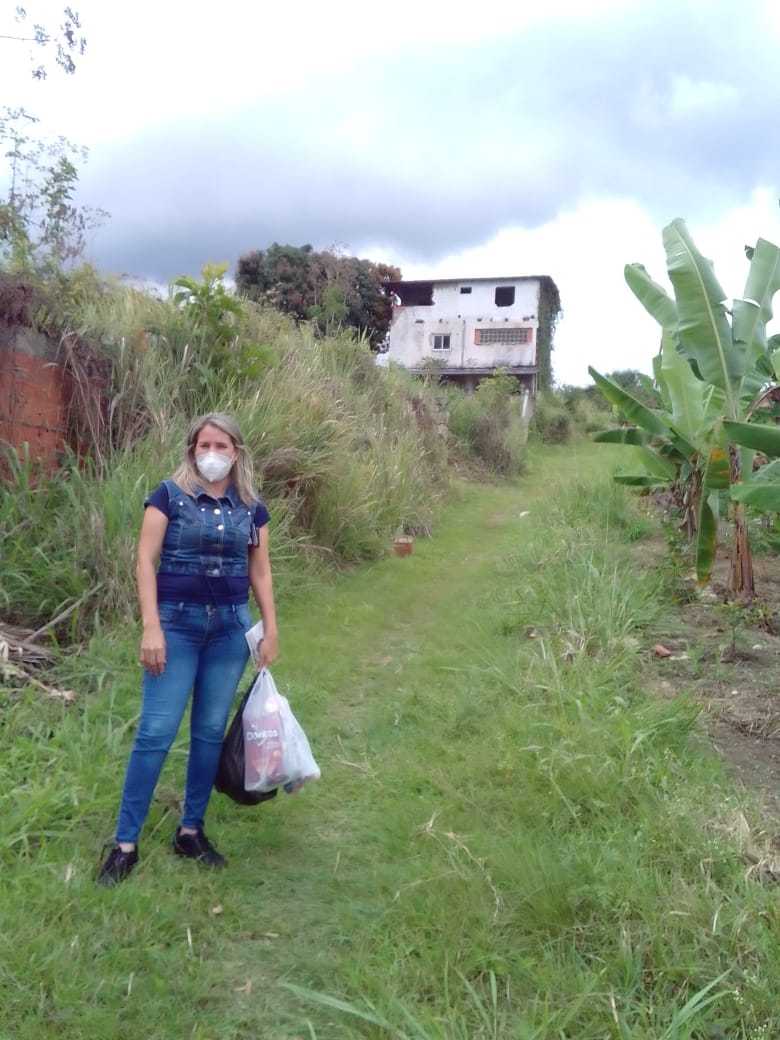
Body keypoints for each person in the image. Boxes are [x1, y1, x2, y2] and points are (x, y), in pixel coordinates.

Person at [97, 413, 278, 885]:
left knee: (209, 732)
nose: (211, 453)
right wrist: (151, 627)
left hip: (229, 632)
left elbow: (260, 570)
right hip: (175, 626)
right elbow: (144, 559)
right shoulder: (167, 496)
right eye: (203, 445)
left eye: (220, 444)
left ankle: (190, 831)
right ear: (191, 450)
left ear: (236, 451)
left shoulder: (251, 507)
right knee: (156, 732)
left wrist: (270, 628)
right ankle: (124, 844)